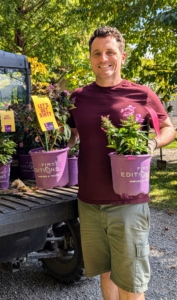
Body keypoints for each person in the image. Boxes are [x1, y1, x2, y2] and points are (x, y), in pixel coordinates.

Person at [67, 26, 176, 300]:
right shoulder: (78, 98)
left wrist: (151, 143)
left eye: (110, 52)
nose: (103, 58)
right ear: (90, 58)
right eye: (96, 53)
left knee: (131, 280)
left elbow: (168, 128)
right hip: (89, 202)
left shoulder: (142, 94)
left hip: (127, 202)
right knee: (106, 272)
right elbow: (71, 136)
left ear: (122, 56)